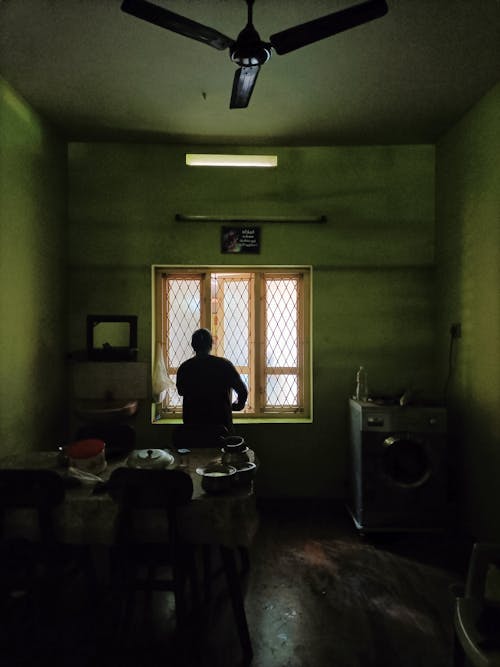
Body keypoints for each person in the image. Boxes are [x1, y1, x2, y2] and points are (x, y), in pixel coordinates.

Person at [176, 328, 248, 432]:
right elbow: (242, 391)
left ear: (193, 345)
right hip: (221, 428)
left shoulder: (185, 368)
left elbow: (181, 391)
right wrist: (236, 406)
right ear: (211, 344)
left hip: (193, 429)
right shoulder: (224, 365)